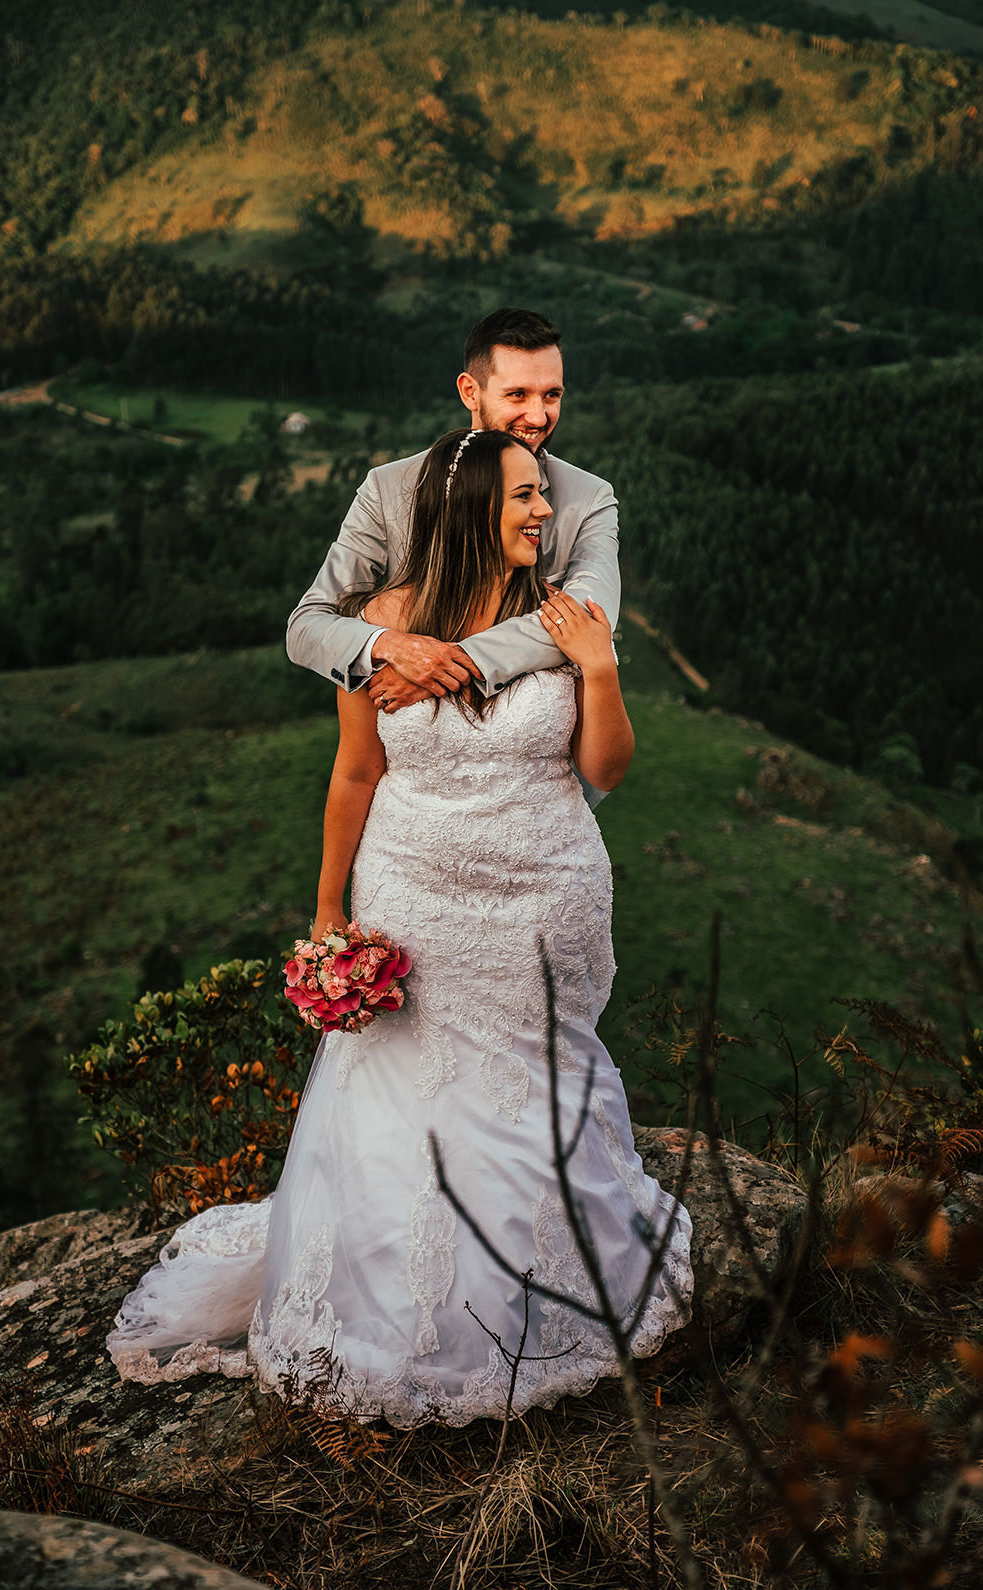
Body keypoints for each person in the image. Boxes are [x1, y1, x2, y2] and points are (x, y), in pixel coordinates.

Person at [107, 428, 693, 1426]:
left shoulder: (562, 614)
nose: (543, 512)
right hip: (413, 892)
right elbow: (354, 772)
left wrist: (597, 669)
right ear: (468, 509)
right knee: (402, 1090)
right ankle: (399, 1316)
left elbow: (604, 770)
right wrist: (329, 908)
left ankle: (541, 1290)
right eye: (523, 497)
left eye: (543, 495)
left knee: (533, 1080)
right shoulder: (377, 623)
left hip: (542, 892)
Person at [285, 307, 620, 737]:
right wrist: (392, 646)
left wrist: (455, 663)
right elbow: (307, 626)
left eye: (551, 396)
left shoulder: (589, 497)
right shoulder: (387, 488)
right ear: (469, 392)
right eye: (518, 395)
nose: (538, 417)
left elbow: (591, 617)